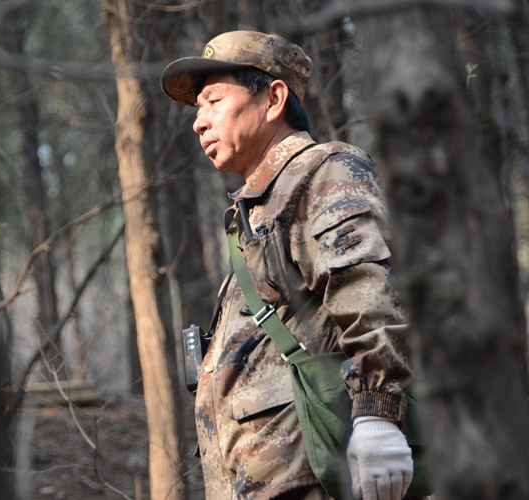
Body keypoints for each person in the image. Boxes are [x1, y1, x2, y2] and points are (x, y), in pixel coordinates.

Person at [160, 31, 415, 500]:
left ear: (274, 99)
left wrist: (378, 416)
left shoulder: (324, 171)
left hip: (317, 478)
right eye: (197, 108)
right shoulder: (260, 207)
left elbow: (366, 285)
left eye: (214, 101)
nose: (199, 122)